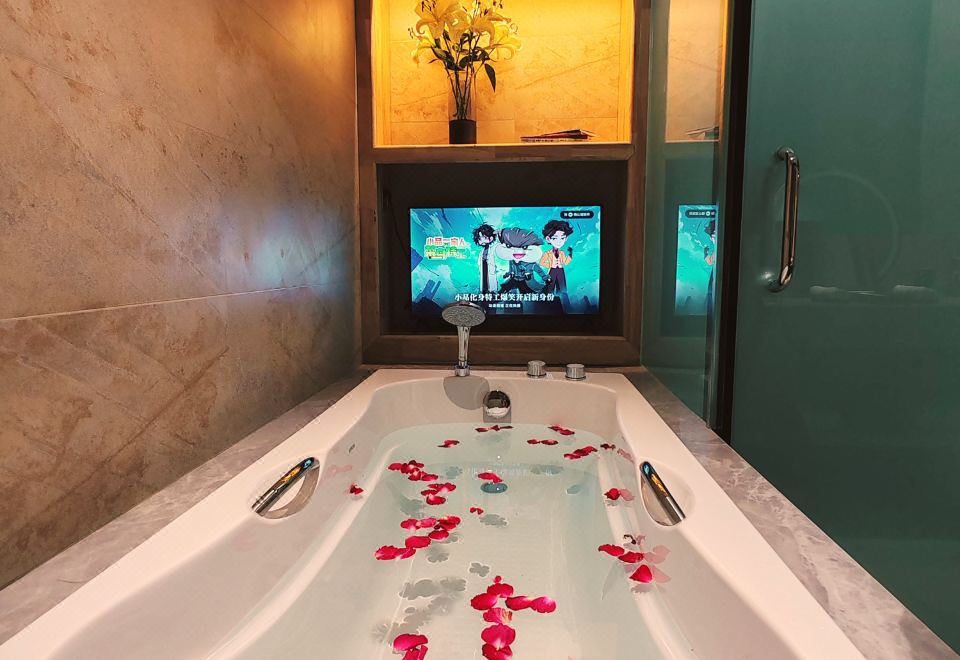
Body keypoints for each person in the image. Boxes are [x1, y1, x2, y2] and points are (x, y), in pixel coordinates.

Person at [495, 227, 549, 294]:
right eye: (509, 246)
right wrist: (507, 274)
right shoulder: (511, 260)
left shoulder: (530, 263)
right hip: (514, 279)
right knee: (504, 288)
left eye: (524, 247)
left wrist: (546, 278)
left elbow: (539, 271)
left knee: (526, 293)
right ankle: (497, 296)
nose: (517, 251)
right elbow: (511, 270)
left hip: (525, 281)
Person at [539, 219, 574, 294]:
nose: (559, 241)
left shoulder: (562, 253)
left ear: (566, 239)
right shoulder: (547, 253)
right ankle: (549, 299)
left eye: (562, 238)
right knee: (550, 287)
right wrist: (550, 265)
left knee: (562, 287)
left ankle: (563, 299)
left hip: (561, 270)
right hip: (552, 270)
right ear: (548, 239)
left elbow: (566, 262)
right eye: (554, 238)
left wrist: (570, 254)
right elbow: (541, 263)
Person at [472, 223, 498, 293]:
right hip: (484, 277)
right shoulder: (481, 252)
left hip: (492, 278)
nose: (481, 241)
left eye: (483, 237)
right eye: (479, 238)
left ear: (491, 238)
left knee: (492, 290)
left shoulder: (495, 248)